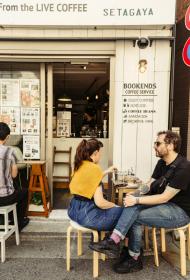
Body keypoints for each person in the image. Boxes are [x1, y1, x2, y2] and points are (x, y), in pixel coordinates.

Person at [89, 130, 190, 274]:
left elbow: (165, 197)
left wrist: (136, 199)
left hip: (179, 211)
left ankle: (132, 257)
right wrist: (134, 195)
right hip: (163, 205)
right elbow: (148, 185)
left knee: (135, 217)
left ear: (171, 145)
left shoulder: (183, 167)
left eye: (158, 143)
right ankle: (118, 244)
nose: (154, 146)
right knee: (131, 205)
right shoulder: (162, 163)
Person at [68, 138, 135, 233]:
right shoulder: (95, 169)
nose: (101, 155)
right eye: (100, 153)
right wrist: (115, 205)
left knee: (113, 210)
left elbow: (89, 180)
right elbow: (100, 203)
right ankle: (117, 243)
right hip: (87, 216)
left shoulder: (79, 165)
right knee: (128, 212)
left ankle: (106, 238)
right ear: (95, 153)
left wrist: (107, 171)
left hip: (73, 211)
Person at [0, 122, 29, 231]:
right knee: (24, 192)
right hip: (5, 197)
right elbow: (14, 175)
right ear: (7, 137)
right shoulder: (9, 151)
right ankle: (18, 222)